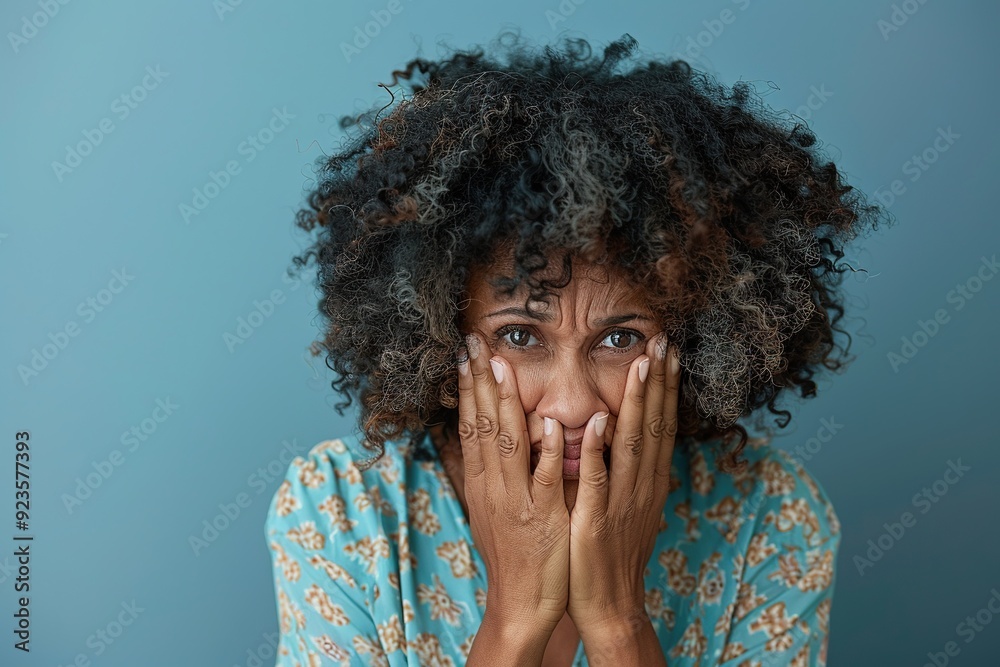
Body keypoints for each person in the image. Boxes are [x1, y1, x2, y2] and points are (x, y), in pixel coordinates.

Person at [264, 29, 889, 666]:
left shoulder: (769, 518)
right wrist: (514, 619)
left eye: (620, 340)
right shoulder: (341, 510)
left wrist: (619, 623)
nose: (570, 405)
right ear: (438, 335)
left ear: (699, 340)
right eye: (519, 336)